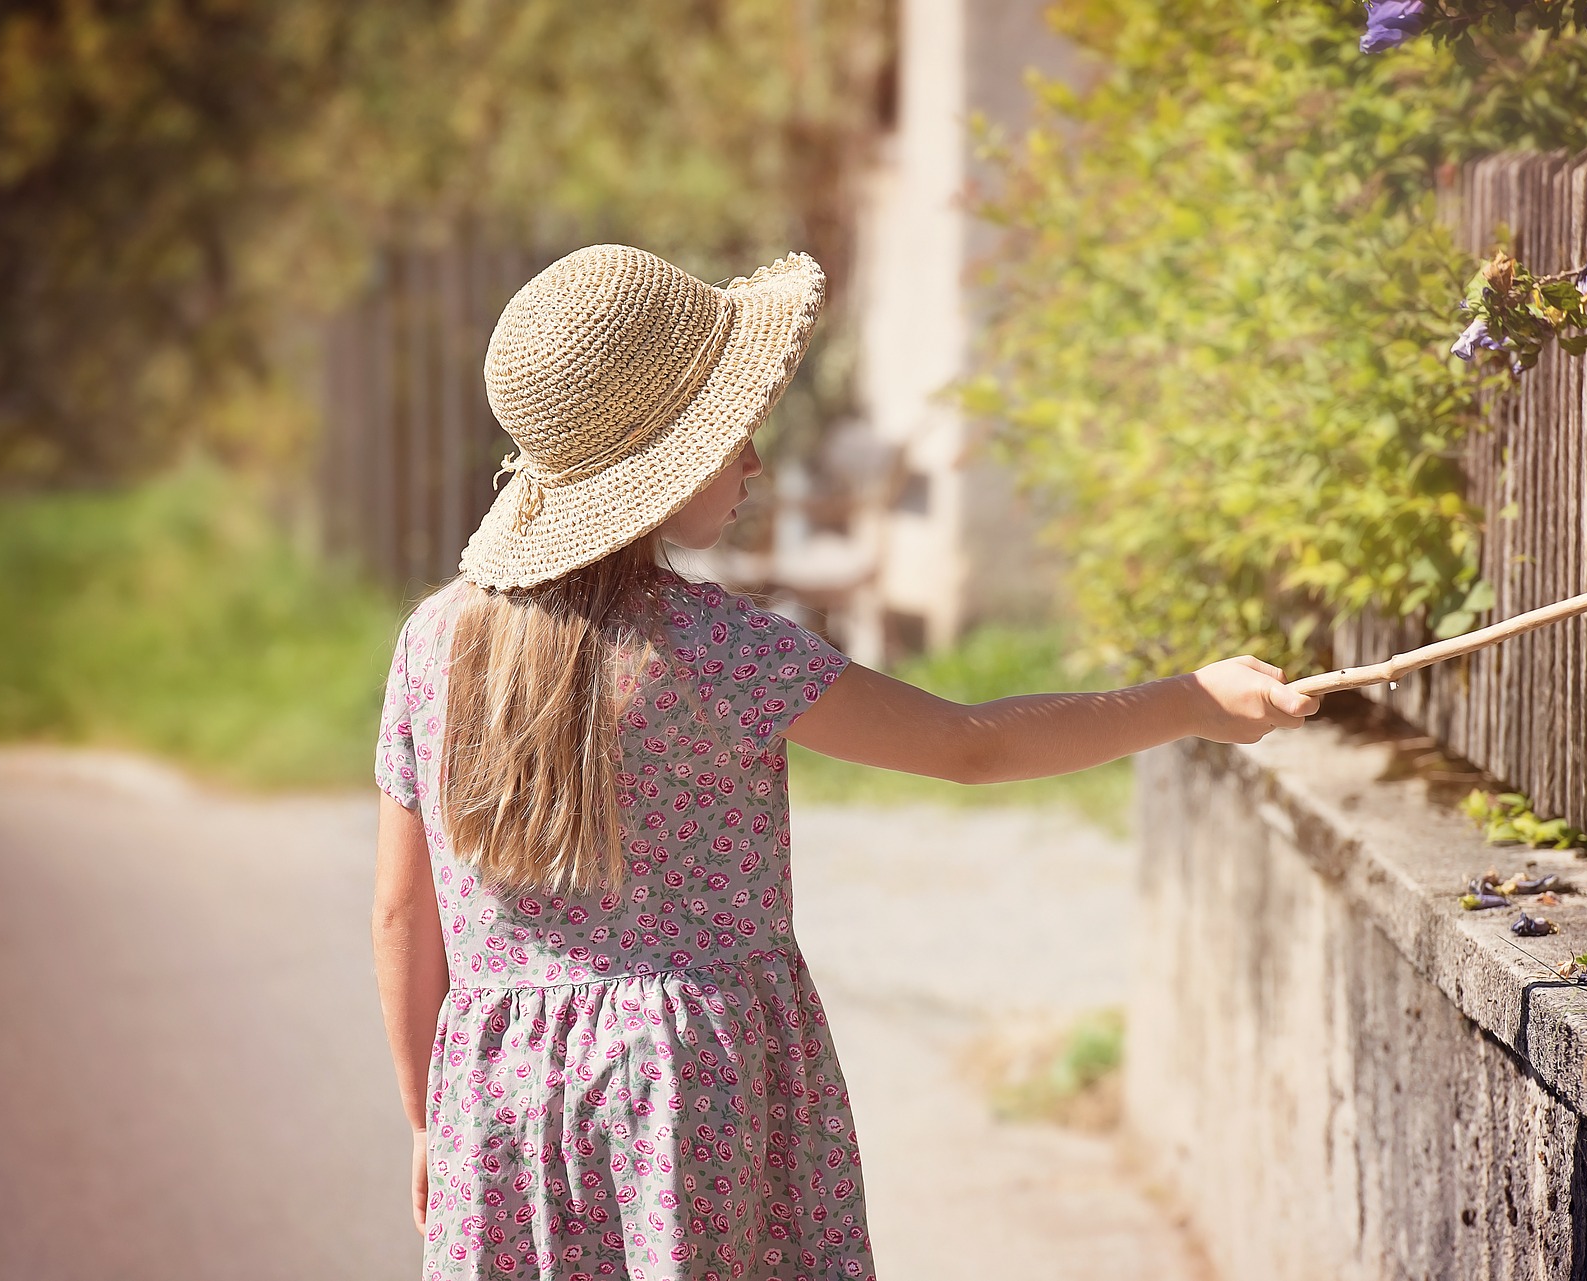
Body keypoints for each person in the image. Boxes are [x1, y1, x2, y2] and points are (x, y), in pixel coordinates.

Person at [371, 243, 1320, 1281]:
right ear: (661, 470)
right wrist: (1188, 700)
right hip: (687, 1096)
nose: (756, 463)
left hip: (493, 1095)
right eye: (732, 435)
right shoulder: (722, 654)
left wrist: (428, 1116)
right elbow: (973, 747)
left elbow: (399, 912)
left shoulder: (433, 644)